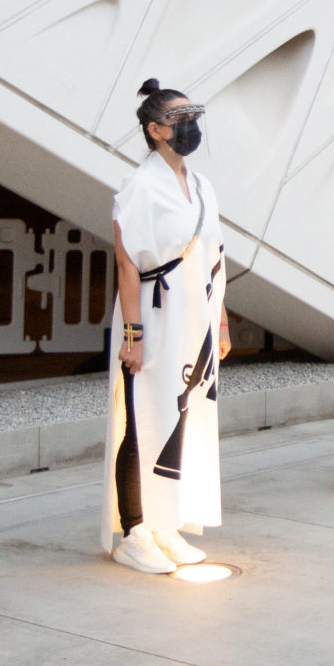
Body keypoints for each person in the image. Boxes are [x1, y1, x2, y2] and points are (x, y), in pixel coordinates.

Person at [107, 79, 230, 573]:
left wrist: (219, 321)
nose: (189, 126)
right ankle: (134, 530)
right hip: (154, 317)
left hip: (194, 315)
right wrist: (134, 335)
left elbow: (213, 256)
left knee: (182, 413)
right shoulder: (140, 187)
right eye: (179, 120)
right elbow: (126, 262)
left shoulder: (201, 186)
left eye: (191, 116)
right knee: (142, 418)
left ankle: (165, 522)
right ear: (156, 130)